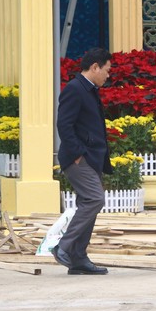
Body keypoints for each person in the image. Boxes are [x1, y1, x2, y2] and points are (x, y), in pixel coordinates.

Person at [53, 47, 113, 275]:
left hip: (91, 157)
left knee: (88, 203)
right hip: (79, 159)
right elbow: (64, 125)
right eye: (106, 70)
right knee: (95, 199)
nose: (108, 75)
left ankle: (78, 259)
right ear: (95, 67)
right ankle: (64, 247)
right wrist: (78, 153)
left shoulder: (89, 89)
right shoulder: (75, 89)